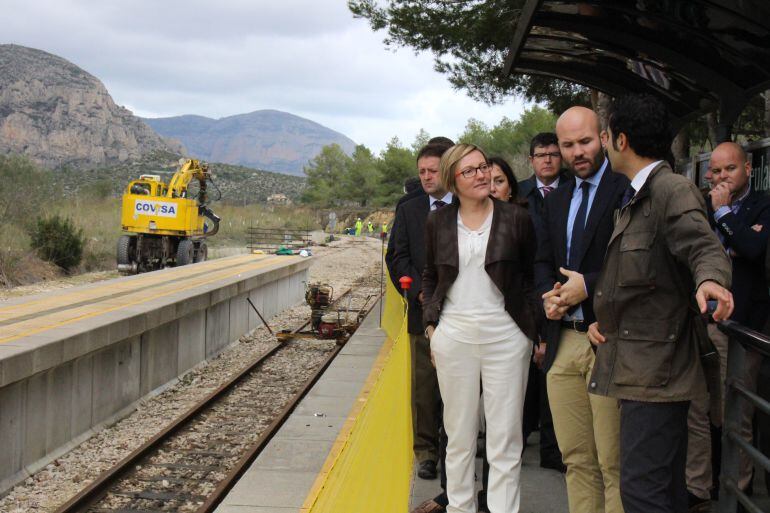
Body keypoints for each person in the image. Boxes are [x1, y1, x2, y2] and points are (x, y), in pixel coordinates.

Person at [587, 93, 733, 513]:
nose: (604, 140)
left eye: (606, 133)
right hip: (640, 364)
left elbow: (705, 248)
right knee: (662, 491)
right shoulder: (639, 194)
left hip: (658, 372)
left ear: (621, 140)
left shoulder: (670, 190)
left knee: (643, 492)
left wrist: (711, 282)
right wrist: (607, 321)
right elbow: (644, 280)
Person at [423, 143, 541, 513]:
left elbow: (528, 277)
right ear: (452, 181)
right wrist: (432, 327)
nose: (482, 174)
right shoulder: (438, 221)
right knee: (458, 437)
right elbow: (429, 276)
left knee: (505, 438)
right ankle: (460, 508)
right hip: (453, 335)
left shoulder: (515, 218)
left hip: (506, 336)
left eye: (484, 166)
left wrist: (531, 331)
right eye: (470, 170)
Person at [535, 106, 628, 513]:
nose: (577, 152)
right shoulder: (557, 198)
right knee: (576, 458)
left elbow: (635, 262)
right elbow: (542, 261)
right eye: (568, 145)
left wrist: (586, 286)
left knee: (614, 461)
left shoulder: (626, 189)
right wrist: (547, 297)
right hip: (563, 342)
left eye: (585, 142)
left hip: (606, 340)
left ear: (604, 138)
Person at [686, 141, 770, 510]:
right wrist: (732, 233)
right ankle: (699, 487)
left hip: (742, 327)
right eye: (716, 171)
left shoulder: (762, 203)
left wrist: (724, 217)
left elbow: (753, 247)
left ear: (748, 169)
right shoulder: (698, 208)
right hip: (701, 321)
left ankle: (738, 491)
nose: (721, 177)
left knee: (737, 412)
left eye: (729, 169)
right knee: (698, 408)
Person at [392, 140, 454, 484]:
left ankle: (455, 449)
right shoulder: (409, 208)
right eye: (422, 172)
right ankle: (427, 452)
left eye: (432, 171)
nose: (427, 177)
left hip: (462, 312)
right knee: (425, 388)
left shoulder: (467, 204)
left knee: (458, 386)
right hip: (421, 314)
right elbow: (398, 256)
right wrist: (418, 291)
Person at [518, 132, 569, 220]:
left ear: (562, 158)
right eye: (541, 155)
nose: (547, 160)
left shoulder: (576, 188)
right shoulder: (518, 192)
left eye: (554, 155)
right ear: (531, 160)